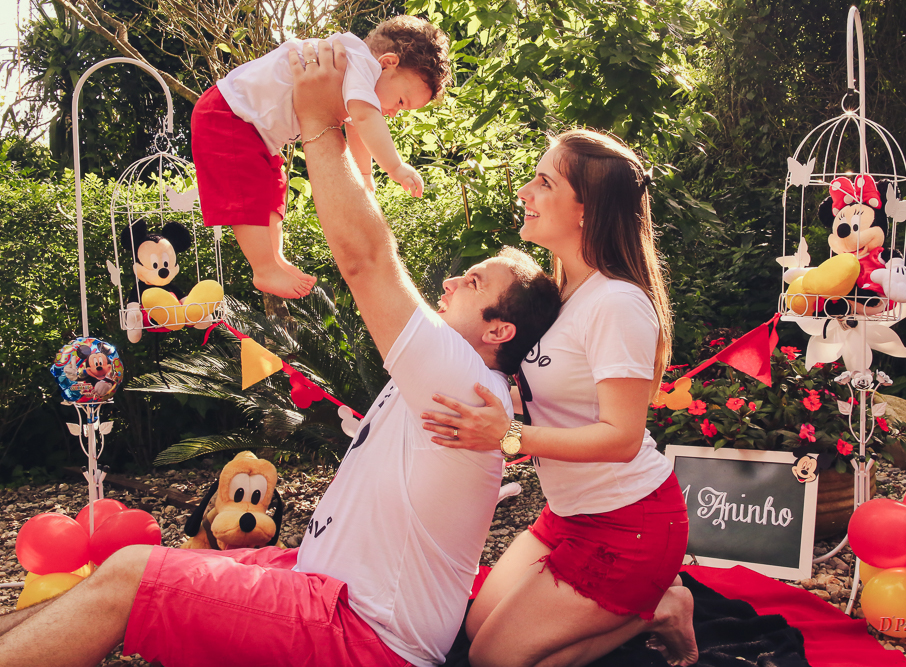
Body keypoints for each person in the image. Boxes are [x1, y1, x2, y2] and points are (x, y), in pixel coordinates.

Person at [0, 41, 561, 667]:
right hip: (322, 586)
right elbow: (370, 241)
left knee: (131, 573)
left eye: (476, 283)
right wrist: (349, 149)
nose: (453, 281)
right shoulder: (451, 370)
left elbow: (367, 259)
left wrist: (320, 122)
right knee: (141, 571)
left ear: (499, 332)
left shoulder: (458, 376)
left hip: (361, 635)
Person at [419, 129, 700, 667]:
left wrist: (506, 436)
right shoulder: (562, 291)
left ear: (585, 212)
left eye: (543, 182)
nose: (524, 191)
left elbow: (621, 439)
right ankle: (655, 603)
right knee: (474, 629)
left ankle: (654, 608)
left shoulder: (617, 303)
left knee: (494, 661)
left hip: (631, 523)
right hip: (568, 513)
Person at [189, 15, 450, 300]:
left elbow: (354, 124)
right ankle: (263, 267)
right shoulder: (360, 62)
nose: (393, 113)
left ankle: (275, 258)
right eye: (401, 101)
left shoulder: (355, 73)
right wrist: (395, 167)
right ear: (387, 63)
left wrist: (365, 176)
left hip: (251, 128)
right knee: (247, 190)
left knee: (273, 185)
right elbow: (364, 118)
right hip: (228, 113)